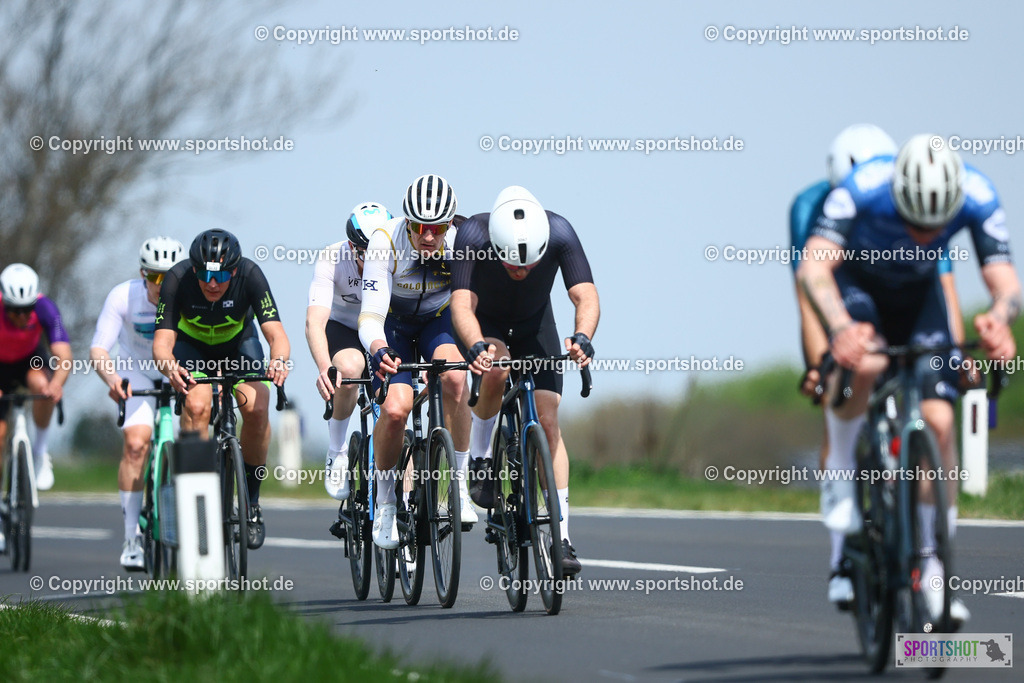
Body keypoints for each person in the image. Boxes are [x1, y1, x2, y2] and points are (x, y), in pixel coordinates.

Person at [797, 134, 1021, 624]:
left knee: (940, 422)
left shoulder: (979, 195)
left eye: (935, 225)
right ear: (898, 194)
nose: (924, 233)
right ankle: (839, 478)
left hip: (919, 299)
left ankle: (933, 569)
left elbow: (1005, 282)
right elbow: (813, 270)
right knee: (870, 363)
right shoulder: (861, 188)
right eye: (915, 221)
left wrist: (1000, 319)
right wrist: (839, 328)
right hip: (858, 289)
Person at [789, 125, 960, 607]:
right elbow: (808, 290)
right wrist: (819, 362)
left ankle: (931, 562)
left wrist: (956, 354)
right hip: (850, 303)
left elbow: (943, 282)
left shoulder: (911, 204)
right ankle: (841, 556)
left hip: (910, 307)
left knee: (933, 411)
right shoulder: (816, 206)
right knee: (843, 395)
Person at [450, 186, 599, 576]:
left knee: (549, 422)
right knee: (497, 368)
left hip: (536, 324)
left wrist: (583, 336)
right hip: (490, 326)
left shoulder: (560, 231)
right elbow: (462, 305)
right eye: (513, 265)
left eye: (530, 266)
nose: (522, 272)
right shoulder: (473, 236)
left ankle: (562, 537)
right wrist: (475, 345)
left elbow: (586, 296)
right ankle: (482, 460)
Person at [152, 229, 290, 551]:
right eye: (205, 275)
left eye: (222, 276)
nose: (212, 284)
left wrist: (280, 360)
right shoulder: (177, 278)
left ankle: (251, 503)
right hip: (192, 348)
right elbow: (162, 344)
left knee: (257, 406)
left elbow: (276, 334)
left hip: (238, 345)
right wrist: (170, 368)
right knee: (197, 407)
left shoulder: (251, 275)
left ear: (235, 269)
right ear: (195, 268)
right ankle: (195, 495)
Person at [358, 173, 474, 550]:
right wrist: (377, 349)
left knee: (456, 380)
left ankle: (460, 485)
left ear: (450, 224)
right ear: (407, 222)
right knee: (395, 410)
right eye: (420, 227)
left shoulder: (462, 241)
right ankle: (388, 501)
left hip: (438, 321)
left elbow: (472, 305)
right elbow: (370, 315)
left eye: (437, 228)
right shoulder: (385, 241)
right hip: (393, 325)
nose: (428, 236)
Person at [90, 237, 185, 570]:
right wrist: (113, 380)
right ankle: (131, 537)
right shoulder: (122, 296)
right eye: (155, 277)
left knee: (197, 440)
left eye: (169, 276)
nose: (162, 285)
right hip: (137, 373)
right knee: (135, 445)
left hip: (177, 370)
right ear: (143, 273)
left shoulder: (190, 297)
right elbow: (99, 350)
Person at [306, 202, 392, 500]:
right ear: (352, 247)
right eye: (364, 253)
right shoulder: (332, 257)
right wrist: (323, 368)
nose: (372, 260)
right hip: (344, 328)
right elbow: (314, 322)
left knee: (396, 402)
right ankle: (337, 450)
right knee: (349, 368)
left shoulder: (401, 254)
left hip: (382, 329)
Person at [0, 263, 71, 499]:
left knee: (43, 388)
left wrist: (56, 384)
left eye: (26, 309)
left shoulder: (45, 308)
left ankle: (40, 451)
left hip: (30, 359)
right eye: (14, 310)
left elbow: (64, 355)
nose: (21, 316)